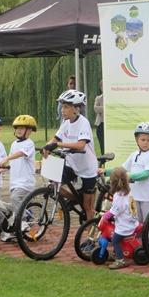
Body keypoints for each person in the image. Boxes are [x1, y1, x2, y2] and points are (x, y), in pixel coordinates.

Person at [43, 89, 98, 221]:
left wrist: (58, 145)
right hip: (72, 165)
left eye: (66, 107)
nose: (62, 110)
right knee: (53, 182)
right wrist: (47, 146)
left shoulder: (83, 123)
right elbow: (56, 138)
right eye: (62, 106)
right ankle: (75, 198)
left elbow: (80, 145)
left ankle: (91, 234)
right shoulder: (65, 123)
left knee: (87, 207)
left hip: (87, 169)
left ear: (76, 108)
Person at [0, 114, 37, 242]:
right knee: (10, 207)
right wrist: (2, 168)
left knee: (15, 199)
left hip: (25, 182)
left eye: (22, 128)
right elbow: (12, 161)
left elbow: (20, 154)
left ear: (29, 131)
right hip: (14, 182)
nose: (19, 130)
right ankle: (14, 230)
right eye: (17, 128)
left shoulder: (29, 143)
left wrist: (7, 158)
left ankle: (24, 220)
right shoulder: (14, 144)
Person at [102, 167, 139, 270]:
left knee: (114, 240)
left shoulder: (119, 196)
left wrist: (105, 216)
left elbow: (115, 210)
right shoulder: (128, 192)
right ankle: (117, 253)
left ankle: (120, 260)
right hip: (131, 221)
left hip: (125, 226)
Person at [94, 82, 104, 154]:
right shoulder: (98, 98)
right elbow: (95, 108)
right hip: (101, 125)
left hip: (110, 125)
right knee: (102, 145)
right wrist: (106, 108)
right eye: (102, 86)